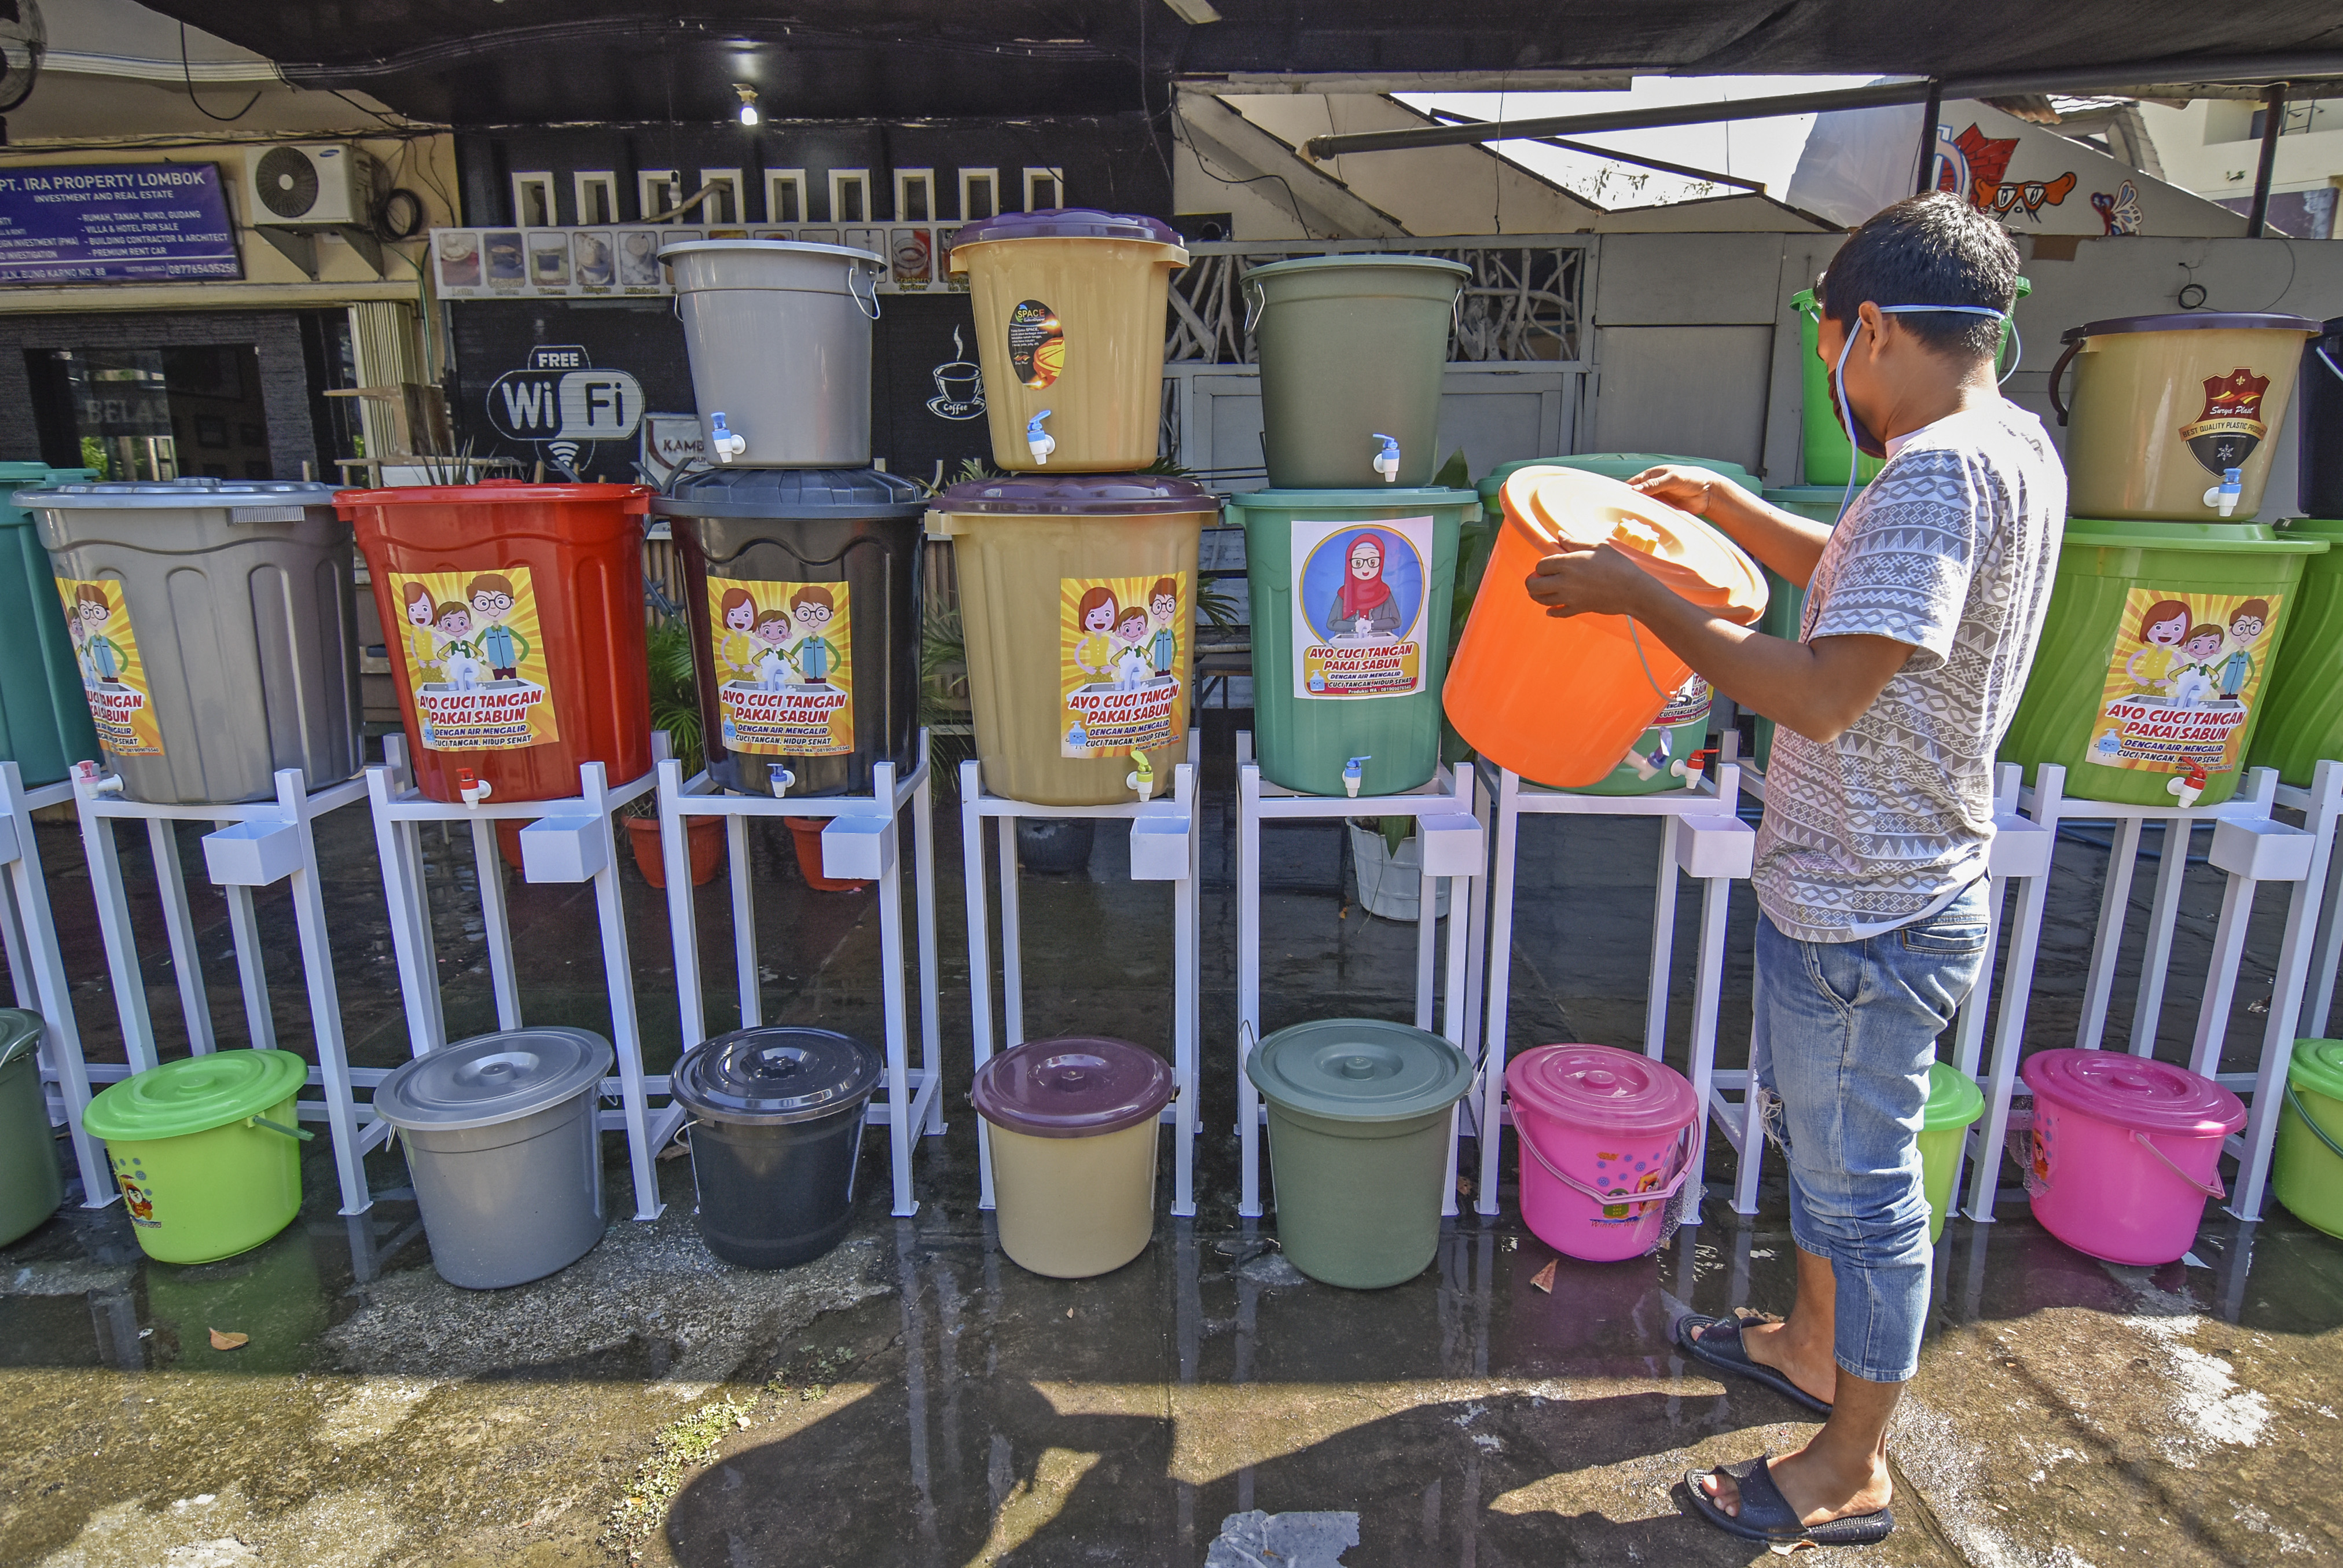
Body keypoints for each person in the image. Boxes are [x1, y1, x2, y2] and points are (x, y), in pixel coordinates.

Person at [1520, 192, 2064, 1550]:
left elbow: (1822, 691)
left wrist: (1644, 596)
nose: (1836, 367)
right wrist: (1728, 509)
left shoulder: (1937, 468)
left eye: (1832, 338)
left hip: (1871, 902)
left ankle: (1849, 1463)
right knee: (1826, 1165)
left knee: (1865, 1192)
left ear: (1869, 328)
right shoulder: (2008, 444)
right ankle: (1814, 1348)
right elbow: (1867, 590)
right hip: (1877, 879)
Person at [1326, 533, 1402, 641]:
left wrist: (1372, 625)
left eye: (1372, 562)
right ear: (1349, 564)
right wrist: (1356, 625)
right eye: (1358, 563)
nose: (1365, 569)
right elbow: (1331, 623)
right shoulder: (1344, 593)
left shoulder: (1385, 592)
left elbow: (1396, 621)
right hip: (1347, 649)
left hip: (1381, 647)